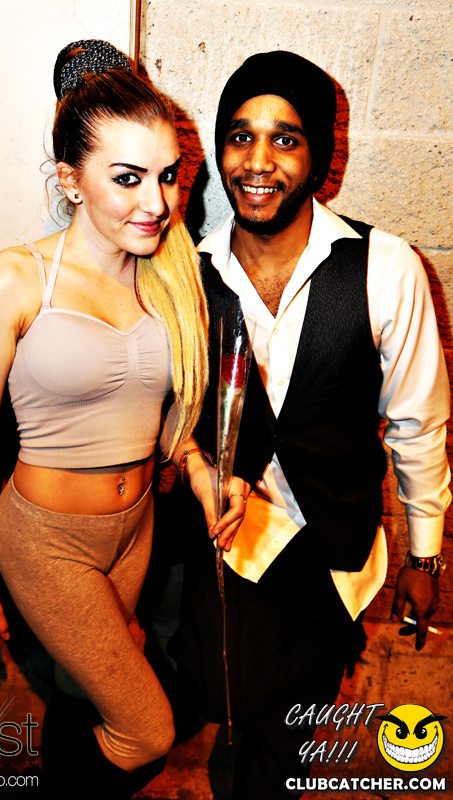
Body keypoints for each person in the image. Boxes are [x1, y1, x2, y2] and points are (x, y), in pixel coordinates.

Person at [0, 40, 247, 798]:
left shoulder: (167, 280)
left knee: (89, 693)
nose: (157, 203)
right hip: (44, 539)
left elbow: (161, 416)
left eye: (167, 176)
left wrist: (203, 470)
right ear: (70, 181)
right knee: (146, 730)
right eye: (127, 178)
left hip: (135, 531)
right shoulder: (15, 280)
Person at [173, 51, 451, 799]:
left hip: (335, 553)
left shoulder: (386, 267)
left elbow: (418, 423)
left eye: (285, 139)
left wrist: (424, 558)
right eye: (240, 135)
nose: (258, 161)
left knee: (284, 745)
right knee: (221, 699)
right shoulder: (187, 271)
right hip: (230, 547)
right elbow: (162, 408)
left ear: (321, 155)